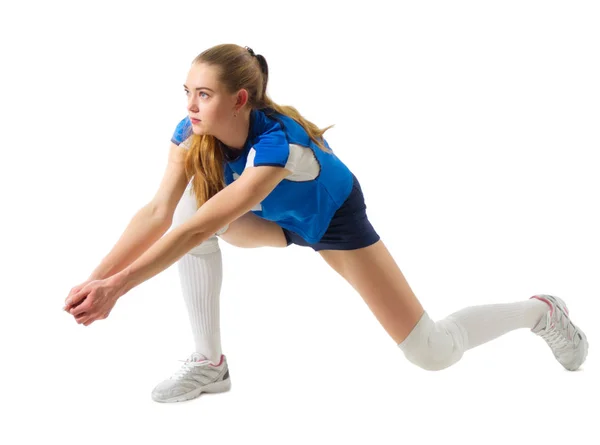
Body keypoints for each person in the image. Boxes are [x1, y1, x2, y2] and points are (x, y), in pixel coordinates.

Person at [63, 43, 589, 403]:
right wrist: (99, 279)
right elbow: (157, 213)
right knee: (181, 210)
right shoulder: (190, 132)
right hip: (270, 221)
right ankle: (211, 363)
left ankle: (540, 312)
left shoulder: (280, 145)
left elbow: (202, 228)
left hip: (332, 222)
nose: (190, 105)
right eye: (187, 92)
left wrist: (118, 288)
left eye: (203, 94)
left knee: (433, 352)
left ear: (239, 99)